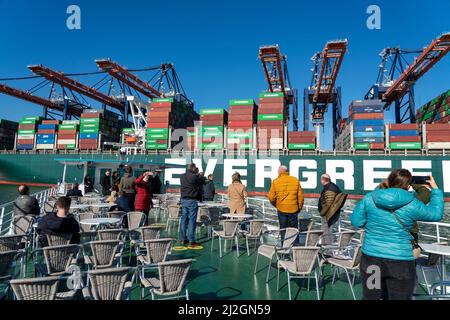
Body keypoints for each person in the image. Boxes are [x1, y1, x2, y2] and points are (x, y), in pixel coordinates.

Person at [351, 169, 444, 300]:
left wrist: (373, 227)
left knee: (371, 297)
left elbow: (356, 221)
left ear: (389, 180)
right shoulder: (413, 203)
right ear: (408, 185)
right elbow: (436, 214)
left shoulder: (370, 198)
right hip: (400, 263)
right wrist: (435, 190)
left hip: (372, 259)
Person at [268, 165, 304, 230]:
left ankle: (284, 239)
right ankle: (294, 240)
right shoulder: (295, 180)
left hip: (281, 209)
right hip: (293, 210)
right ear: (287, 171)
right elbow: (300, 196)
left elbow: (271, 197)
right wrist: (299, 208)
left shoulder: (275, 181)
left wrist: (277, 205)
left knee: (283, 230)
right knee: (294, 230)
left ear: (279, 172)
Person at [179, 163, 206, 247]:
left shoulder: (182, 176)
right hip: (192, 200)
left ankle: (183, 238)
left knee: (184, 219)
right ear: (193, 168)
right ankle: (191, 240)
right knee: (192, 220)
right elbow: (202, 181)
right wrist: (200, 175)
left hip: (183, 200)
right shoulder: (194, 176)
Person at [318, 174, 348, 245]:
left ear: (324, 180)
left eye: (321, 179)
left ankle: (327, 250)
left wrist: (322, 213)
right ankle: (324, 247)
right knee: (327, 231)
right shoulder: (332, 187)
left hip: (328, 214)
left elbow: (328, 203)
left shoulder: (329, 189)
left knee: (326, 231)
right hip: (332, 212)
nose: (320, 181)